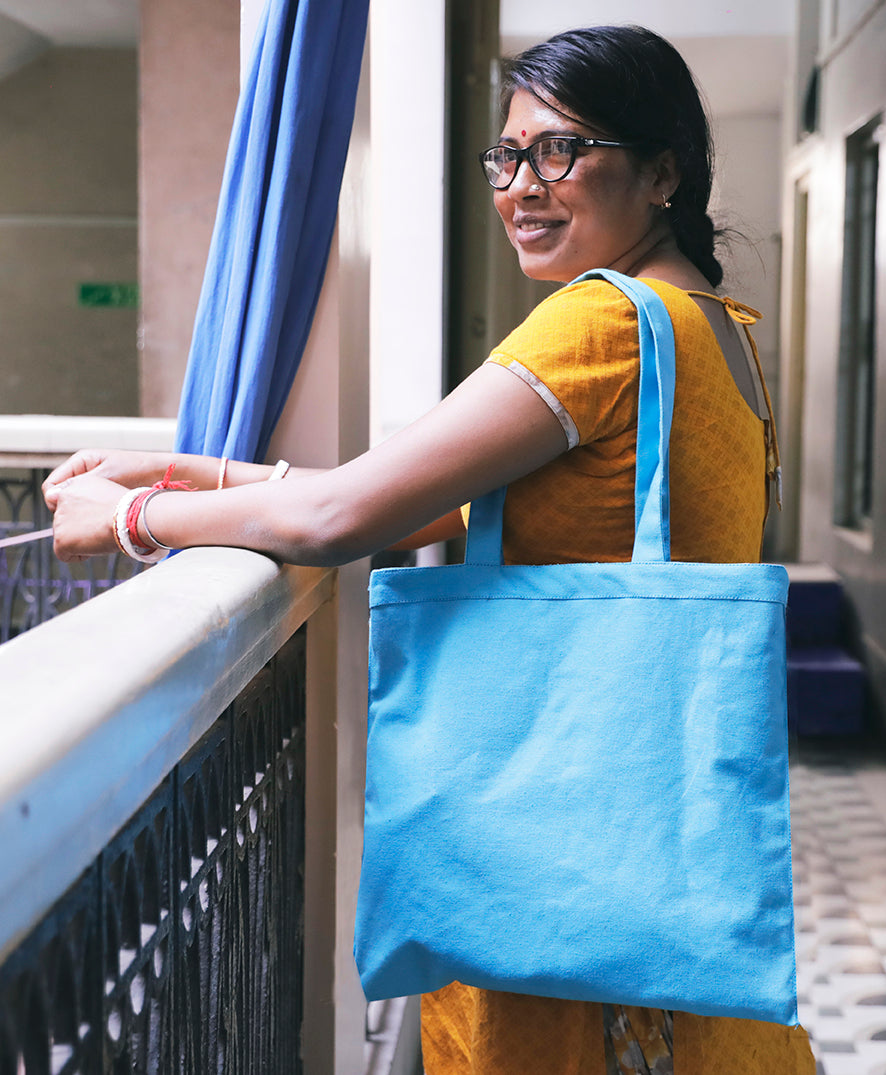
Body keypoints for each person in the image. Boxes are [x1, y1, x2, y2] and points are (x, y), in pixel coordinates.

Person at [45, 24, 814, 1075]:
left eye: (561, 150)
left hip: (555, 842)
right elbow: (426, 504)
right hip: (646, 821)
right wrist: (185, 473)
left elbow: (338, 521)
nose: (521, 187)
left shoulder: (597, 325)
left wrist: (130, 523)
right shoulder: (720, 332)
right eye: (508, 155)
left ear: (664, 171)